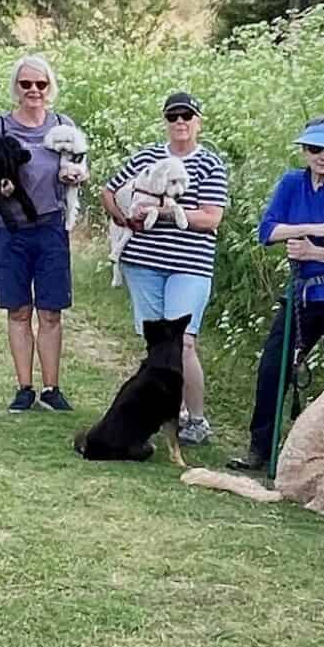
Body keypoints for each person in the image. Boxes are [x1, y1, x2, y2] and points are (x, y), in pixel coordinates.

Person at [231, 118, 324, 474]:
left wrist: (315, 253)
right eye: (315, 149)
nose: (323, 155)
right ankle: (260, 449)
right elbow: (267, 231)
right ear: (305, 151)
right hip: (304, 295)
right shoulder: (291, 184)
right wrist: (310, 231)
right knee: (273, 367)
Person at [103, 90, 231, 447]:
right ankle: (162, 415)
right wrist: (123, 218)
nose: (180, 123)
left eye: (186, 116)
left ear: (198, 122)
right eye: (173, 117)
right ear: (165, 121)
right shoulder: (145, 157)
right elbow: (109, 190)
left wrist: (166, 215)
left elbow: (211, 217)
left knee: (185, 342)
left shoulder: (210, 164)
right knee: (156, 345)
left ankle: (197, 419)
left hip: (189, 264)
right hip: (142, 263)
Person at [0, 53, 86, 413]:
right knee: (19, 310)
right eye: (26, 84)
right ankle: (24, 388)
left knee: (51, 312)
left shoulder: (64, 125)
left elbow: (83, 168)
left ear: (50, 88)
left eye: (41, 84)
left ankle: (52, 389)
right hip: (8, 229)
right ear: (16, 89)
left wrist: (77, 176)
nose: (34, 90)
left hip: (51, 226)